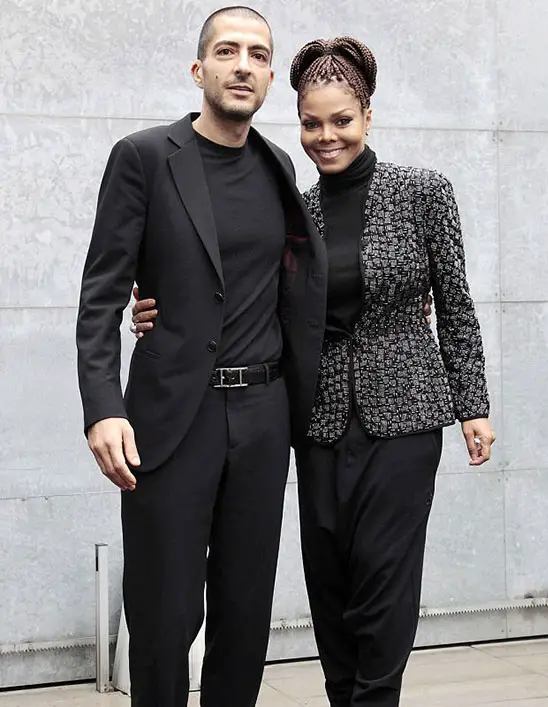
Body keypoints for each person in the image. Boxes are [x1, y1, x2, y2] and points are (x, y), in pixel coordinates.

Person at [131, 35, 496, 707]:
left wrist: (473, 404)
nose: (325, 137)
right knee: (331, 590)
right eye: (310, 122)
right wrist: (157, 313)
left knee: (383, 588)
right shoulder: (293, 207)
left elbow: (456, 302)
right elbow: (236, 287)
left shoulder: (422, 193)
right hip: (317, 421)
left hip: (405, 419)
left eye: (341, 121)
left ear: (368, 116)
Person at [75, 7, 328, 707]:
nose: (242, 64)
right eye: (227, 51)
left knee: (244, 617)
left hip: (263, 415)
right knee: (163, 613)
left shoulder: (279, 167)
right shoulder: (145, 157)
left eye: (257, 54)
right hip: (170, 416)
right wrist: (103, 407)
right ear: (200, 69)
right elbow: (101, 295)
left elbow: (298, 285)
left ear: (271, 76)